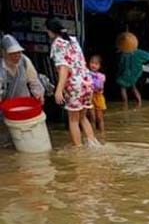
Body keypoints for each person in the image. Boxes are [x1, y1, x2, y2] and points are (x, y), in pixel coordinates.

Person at [45, 18, 98, 148]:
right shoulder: (73, 40)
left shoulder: (57, 45)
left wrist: (58, 89)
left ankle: (78, 149)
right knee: (82, 118)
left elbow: (64, 68)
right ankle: (93, 144)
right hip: (87, 83)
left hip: (75, 85)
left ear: (50, 31)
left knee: (73, 120)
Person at [1, 35, 46, 146]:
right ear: (4, 53)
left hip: (23, 104)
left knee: (26, 136)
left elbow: (34, 81)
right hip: (4, 106)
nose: (17, 56)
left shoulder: (25, 61)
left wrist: (39, 95)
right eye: (12, 53)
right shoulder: (1, 68)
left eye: (19, 52)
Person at [88, 54, 107, 134]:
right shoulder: (86, 74)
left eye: (96, 64)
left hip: (98, 97)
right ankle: (93, 134)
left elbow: (101, 88)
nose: (93, 65)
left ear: (99, 66)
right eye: (92, 63)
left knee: (100, 118)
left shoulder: (101, 76)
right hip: (90, 97)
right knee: (92, 117)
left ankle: (102, 134)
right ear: (89, 63)